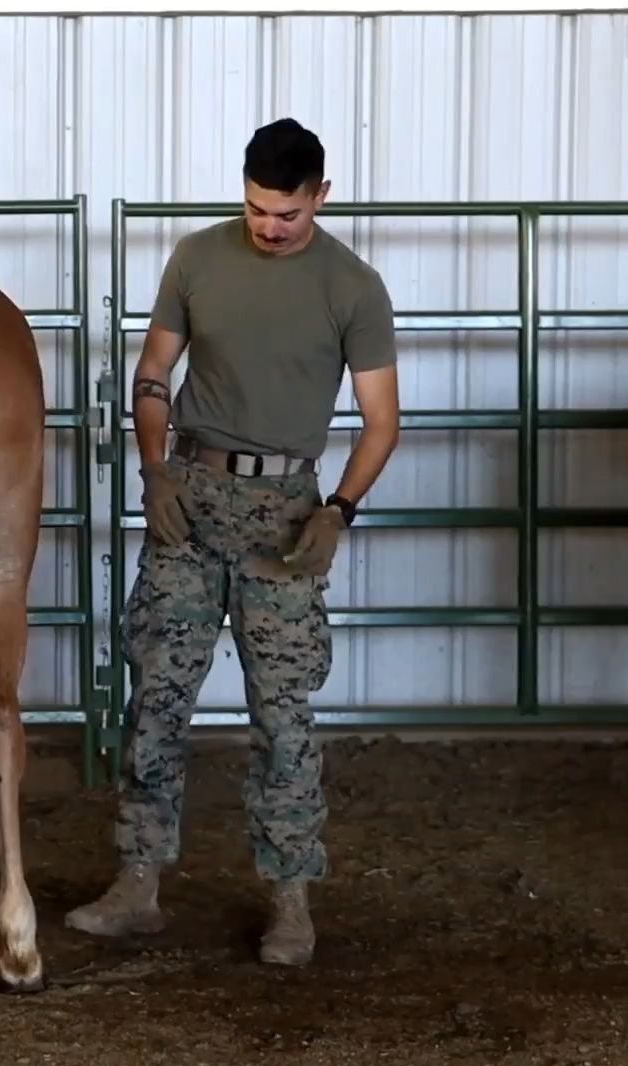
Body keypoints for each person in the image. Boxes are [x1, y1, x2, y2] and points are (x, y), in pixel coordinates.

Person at [65, 117, 401, 966]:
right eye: (256, 209)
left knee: (283, 713)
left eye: (286, 214)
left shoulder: (353, 288)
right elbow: (152, 374)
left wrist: (338, 511)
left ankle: (290, 901)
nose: (268, 226)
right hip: (191, 495)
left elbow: (380, 423)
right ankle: (137, 885)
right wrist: (153, 471)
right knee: (157, 697)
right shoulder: (197, 259)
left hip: (285, 512)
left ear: (319, 197)